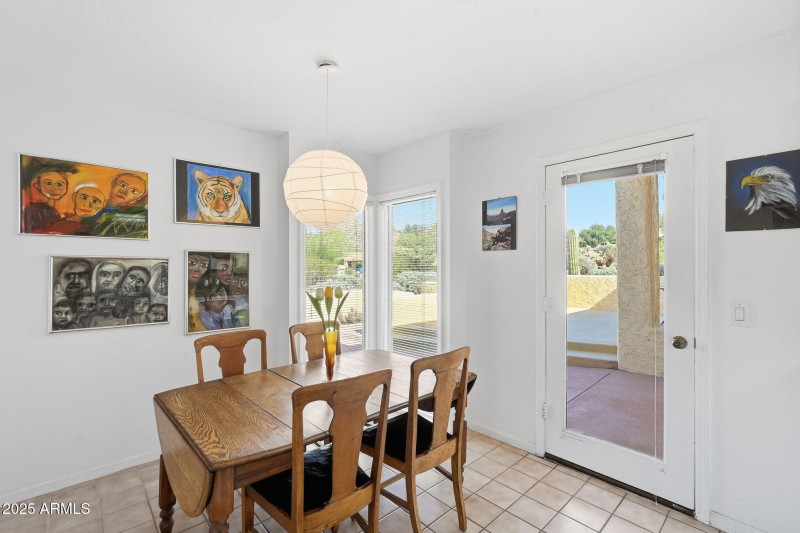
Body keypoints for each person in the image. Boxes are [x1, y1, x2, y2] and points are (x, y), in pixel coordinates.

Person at [89, 172, 148, 238]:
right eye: (123, 185)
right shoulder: (92, 202)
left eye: (134, 191)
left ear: (138, 197)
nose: (124, 192)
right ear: (113, 183)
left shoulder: (138, 216)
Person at [34, 183, 107, 235]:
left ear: (103, 205)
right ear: (74, 197)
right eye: (83, 198)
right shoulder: (59, 220)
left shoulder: (100, 228)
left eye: (95, 201)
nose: (86, 204)